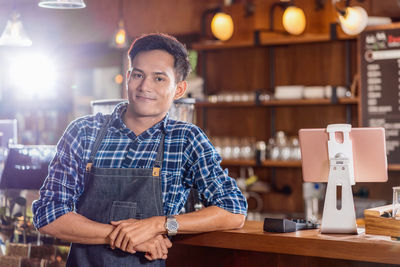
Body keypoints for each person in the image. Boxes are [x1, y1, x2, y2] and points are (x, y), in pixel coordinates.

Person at [32, 33, 247, 266]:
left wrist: (159, 224)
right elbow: (48, 214)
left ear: (179, 89)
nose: (145, 86)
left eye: (159, 79)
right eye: (138, 75)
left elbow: (233, 210)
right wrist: (128, 238)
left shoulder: (186, 140)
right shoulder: (84, 132)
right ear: (127, 77)